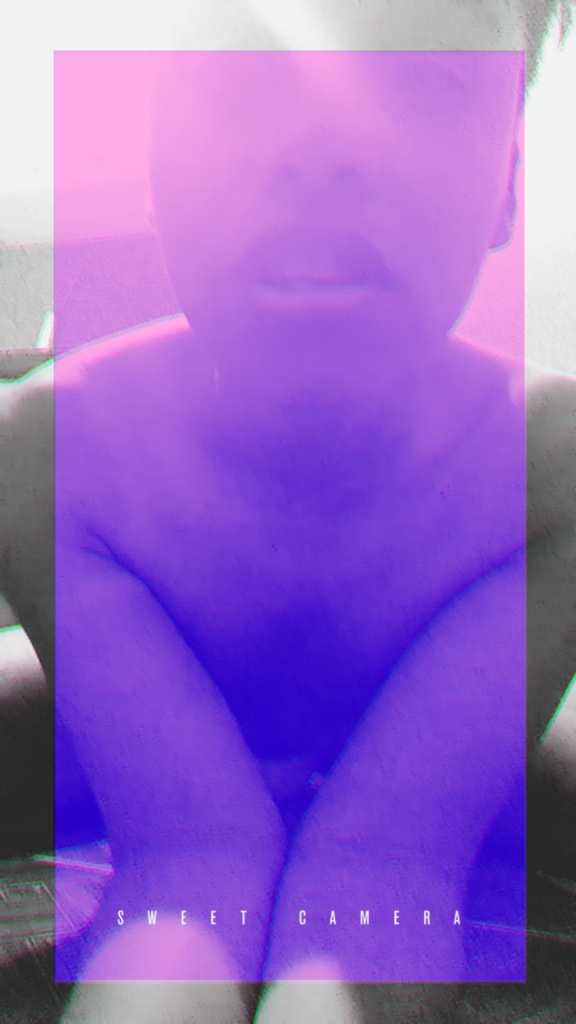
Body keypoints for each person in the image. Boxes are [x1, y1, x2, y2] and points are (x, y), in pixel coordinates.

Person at [1, 1, 575, 1021]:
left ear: (508, 185)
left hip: (461, 753)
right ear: (152, 166)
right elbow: (186, 853)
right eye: (238, 73)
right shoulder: (51, 453)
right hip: (114, 734)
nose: (325, 149)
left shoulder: (549, 476)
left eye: (428, 80)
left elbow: (394, 856)